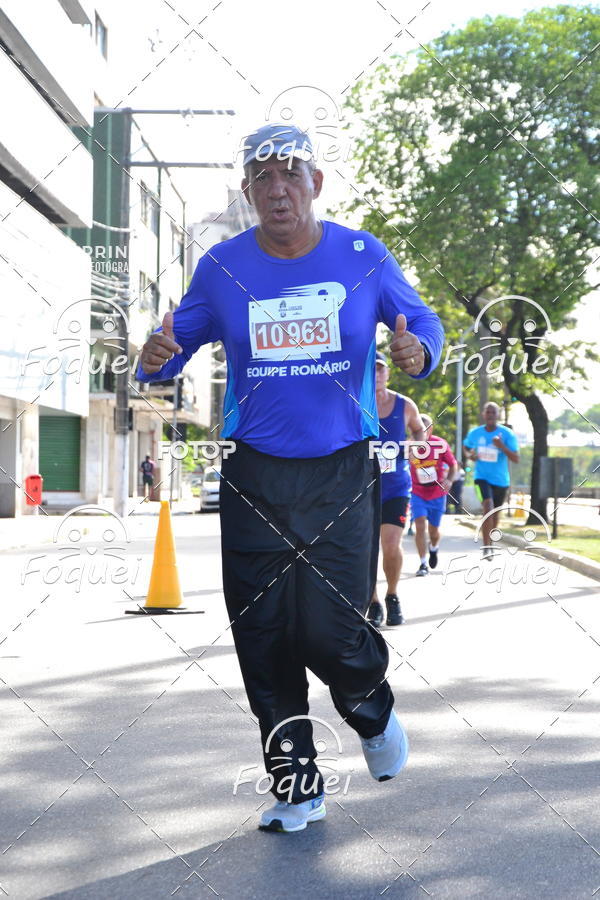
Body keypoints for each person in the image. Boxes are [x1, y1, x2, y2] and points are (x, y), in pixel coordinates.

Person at [137, 123, 444, 833]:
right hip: (254, 473)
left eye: (291, 174)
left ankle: (371, 708)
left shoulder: (361, 255)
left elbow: (422, 323)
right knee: (265, 634)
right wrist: (154, 355)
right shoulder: (221, 267)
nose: (278, 189)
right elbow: (168, 353)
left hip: (340, 469)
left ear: (316, 183)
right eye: (262, 178)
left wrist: (416, 349)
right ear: (248, 192)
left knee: (333, 628)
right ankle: (297, 787)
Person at [367, 351, 425, 628]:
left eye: (380, 369)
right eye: (371, 369)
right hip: (361, 490)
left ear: (388, 373)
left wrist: (415, 446)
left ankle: (392, 595)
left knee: (391, 545)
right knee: (366, 550)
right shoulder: (354, 403)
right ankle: (373, 602)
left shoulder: (405, 405)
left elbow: (419, 430)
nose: (376, 374)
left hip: (396, 487)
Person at [463, 402, 520, 558]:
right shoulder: (475, 433)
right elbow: (466, 447)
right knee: (488, 507)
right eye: (487, 412)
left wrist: (501, 446)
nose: (490, 415)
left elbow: (516, 458)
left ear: (497, 415)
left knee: (495, 513)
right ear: (483, 414)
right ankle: (486, 546)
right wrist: (470, 456)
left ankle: (490, 542)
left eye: (493, 413)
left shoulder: (507, 434)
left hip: (501, 480)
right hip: (481, 478)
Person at [410, 415, 458, 576]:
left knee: (434, 532)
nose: (420, 433)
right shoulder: (409, 446)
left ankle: (434, 548)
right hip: (417, 492)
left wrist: (450, 480)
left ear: (430, 430)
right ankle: (423, 563)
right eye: (417, 428)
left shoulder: (440, 444)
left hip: (437, 493)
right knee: (420, 525)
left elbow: (453, 465)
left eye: (424, 429)